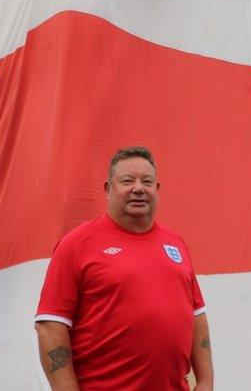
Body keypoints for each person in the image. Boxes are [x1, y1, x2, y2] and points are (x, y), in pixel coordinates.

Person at [35, 146, 213, 390]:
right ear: (108, 190)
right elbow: (50, 326)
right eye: (127, 181)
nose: (138, 188)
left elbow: (197, 316)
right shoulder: (77, 245)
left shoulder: (176, 244)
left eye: (147, 181)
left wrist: (205, 381)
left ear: (157, 190)